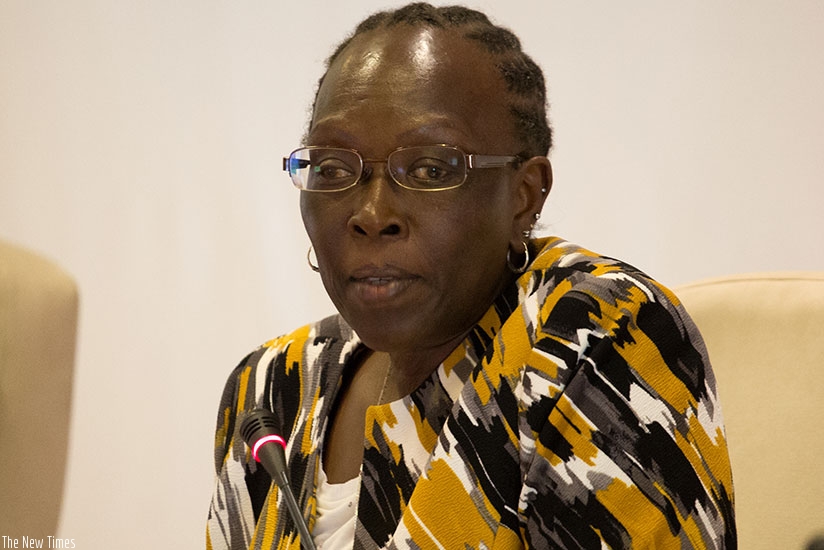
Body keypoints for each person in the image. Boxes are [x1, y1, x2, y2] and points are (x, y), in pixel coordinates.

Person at [207, 3, 736, 549]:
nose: (371, 214)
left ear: (523, 196)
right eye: (334, 169)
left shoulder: (593, 340)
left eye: (431, 169)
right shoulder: (272, 389)